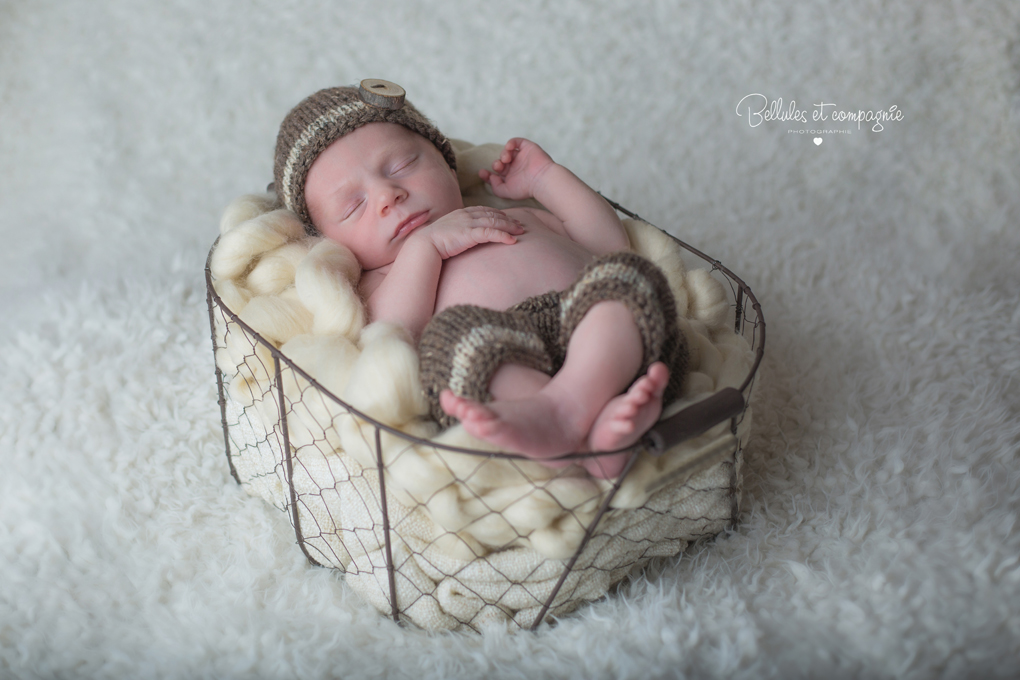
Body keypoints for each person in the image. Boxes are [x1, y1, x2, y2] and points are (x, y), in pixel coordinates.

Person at [273, 80, 688, 478]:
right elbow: (391, 336)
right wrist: (425, 249)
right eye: (353, 207)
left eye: (401, 165)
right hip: (510, 377)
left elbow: (605, 243)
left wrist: (545, 179)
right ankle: (588, 430)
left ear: (447, 164)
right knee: (449, 345)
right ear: (329, 241)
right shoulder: (381, 278)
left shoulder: (516, 215)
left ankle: (573, 409)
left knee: (626, 277)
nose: (387, 196)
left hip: (615, 348)